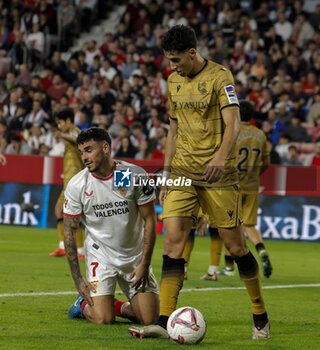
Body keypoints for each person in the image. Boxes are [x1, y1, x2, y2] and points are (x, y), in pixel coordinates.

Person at [128, 25, 270, 340]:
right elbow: (173, 130)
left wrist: (219, 158)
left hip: (219, 175)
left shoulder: (221, 77)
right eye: (169, 60)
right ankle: (164, 322)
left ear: (193, 53)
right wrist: (165, 172)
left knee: (236, 246)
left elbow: (233, 124)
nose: (172, 66)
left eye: (177, 59)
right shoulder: (172, 82)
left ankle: (260, 314)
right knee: (173, 243)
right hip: (182, 173)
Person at [64, 127, 159, 325]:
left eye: (89, 150)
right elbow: (69, 232)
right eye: (82, 152)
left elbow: (150, 220)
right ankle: (84, 304)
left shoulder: (130, 175)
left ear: (106, 148)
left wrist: (145, 264)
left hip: (134, 257)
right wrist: (78, 279)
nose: (84, 157)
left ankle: (116, 306)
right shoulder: (78, 184)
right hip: (101, 255)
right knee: (103, 318)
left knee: (148, 319)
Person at [218, 100, 273, 279]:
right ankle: (261, 250)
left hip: (233, 184)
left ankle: (228, 268)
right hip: (252, 185)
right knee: (249, 225)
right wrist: (256, 174)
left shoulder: (232, 132)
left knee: (229, 225)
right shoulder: (261, 135)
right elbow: (266, 163)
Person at [49, 108, 85, 258]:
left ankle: (81, 249)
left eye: (60, 122)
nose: (58, 126)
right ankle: (64, 246)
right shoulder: (67, 138)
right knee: (60, 210)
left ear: (69, 121)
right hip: (69, 181)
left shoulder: (75, 131)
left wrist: (62, 135)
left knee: (74, 213)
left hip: (76, 181)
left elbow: (79, 141)